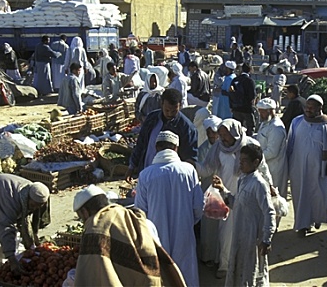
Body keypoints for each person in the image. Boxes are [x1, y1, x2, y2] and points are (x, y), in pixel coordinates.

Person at [196, 119, 272, 279]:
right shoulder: (218, 147)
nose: (222, 138)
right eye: (220, 135)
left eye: (225, 135)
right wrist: (191, 164)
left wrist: (270, 186)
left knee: (249, 235)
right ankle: (225, 265)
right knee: (226, 234)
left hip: (248, 196)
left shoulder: (249, 145)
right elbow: (207, 168)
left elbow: (263, 168)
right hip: (227, 197)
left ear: (235, 133)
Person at [72, 185, 185, 287]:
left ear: (85, 212)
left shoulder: (94, 231)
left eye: (81, 217)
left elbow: (92, 277)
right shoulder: (139, 219)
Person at [135, 131, 204, 287]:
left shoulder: (146, 175)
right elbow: (198, 206)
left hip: (157, 236)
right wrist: (189, 222)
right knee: (185, 274)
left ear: (156, 148)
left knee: (162, 275)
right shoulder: (188, 171)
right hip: (184, 232)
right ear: (176, 148)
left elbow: (140, 211)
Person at [212, 144, 276, 287]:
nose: (240, 164)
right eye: (240, 160)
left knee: (252, 272)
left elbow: (269, 212)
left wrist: (266, 239)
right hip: (240, 235)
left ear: (256, 162)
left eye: (244, 161)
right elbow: (237, 204)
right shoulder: (242, 179)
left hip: (253, 238)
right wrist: (223, 190)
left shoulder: (259, 184)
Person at [286, 94, 327, 236]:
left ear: (320, 108)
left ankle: (316, 219)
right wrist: (286, 166)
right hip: (298, 168)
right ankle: (302, 225)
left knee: (322, 196)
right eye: (307, 107)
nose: (308, 110)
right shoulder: (297, 122)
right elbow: (290, 145)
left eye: (312, 108)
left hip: (320, 169)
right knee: (301, 197)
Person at [0, 174, 50, 276]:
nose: (35, 208)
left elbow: (24, 219)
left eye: (38, 206)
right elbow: (5, 226)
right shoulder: (10, 199)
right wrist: (12, 259)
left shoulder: (33, 192)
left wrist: (31, 245)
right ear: (27, 199)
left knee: (3, 248)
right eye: (33, 205)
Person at [126, 88, 198, 181]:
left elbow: (190, 158)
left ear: (180, 106)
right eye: (167, 110)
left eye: (173, 111)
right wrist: (131, 167)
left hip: (170, 178)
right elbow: (141, 143)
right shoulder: (151, 119)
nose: (169, 114)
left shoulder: (188, 129)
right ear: (161, 104)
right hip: (146, 171)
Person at [256, 98, 288, 225]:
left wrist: (255, 156)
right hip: (264, 166)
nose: (260, 115)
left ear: (270, 111)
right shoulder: (265, 123)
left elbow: (272, 152)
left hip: (274, 168)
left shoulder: (276, 128)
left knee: (273, 198)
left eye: (262, 112)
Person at [198, 115, 222, 265]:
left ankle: (220, 259)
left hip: (221, 191)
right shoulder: (202, 149)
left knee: (221, 228)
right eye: (209, 132)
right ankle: (207, 257)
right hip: (207, 191)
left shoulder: (225, 147)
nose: (212, 135)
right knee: (208, 227)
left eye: (215, 132)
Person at [229, 63, 257, 136]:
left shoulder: (235, 80)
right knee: (250, 127)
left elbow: (230, 93)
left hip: (236, 108)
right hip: (247, 108)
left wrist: (231, 106)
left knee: (236, 128)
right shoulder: (249, 81)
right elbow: (252, 95)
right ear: (250, 70)